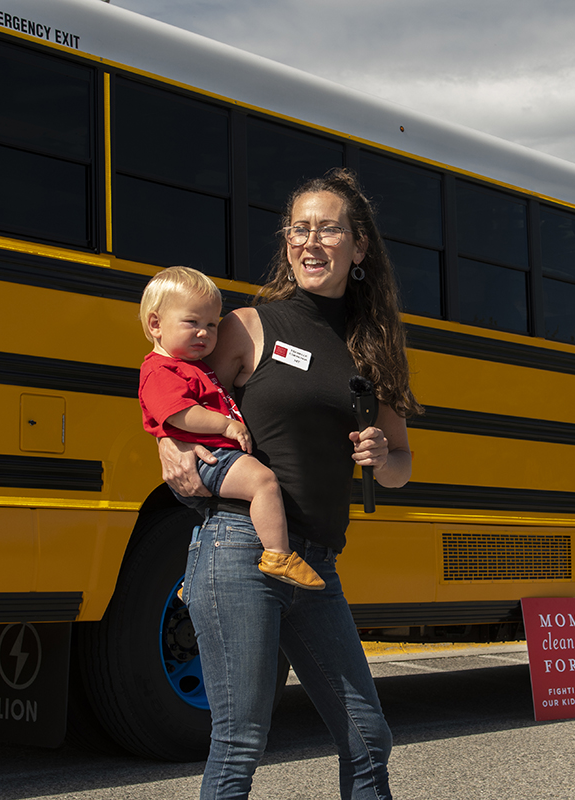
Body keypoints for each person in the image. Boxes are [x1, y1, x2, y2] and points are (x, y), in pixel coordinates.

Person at [159, 168, 422, 800]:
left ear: (359, 247)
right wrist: (169, 442)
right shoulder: (249, 327)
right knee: (241, 740)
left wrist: (382, 454)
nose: (311, 240)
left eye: (328, 228)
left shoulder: (373, 348)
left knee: (368, 739)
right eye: (299, 228)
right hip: (239, 550)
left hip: (316, 568)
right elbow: (168, 382)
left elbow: (403, 466)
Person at [138, 266, 324, 590]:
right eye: (192, 322)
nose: (205, 333)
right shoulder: (160, 370)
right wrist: (226, 425)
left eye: (212, 324)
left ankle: (195, 580)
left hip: (212, 454)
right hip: (210, 455)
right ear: (156, 324)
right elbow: (180, 414)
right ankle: (278, 554)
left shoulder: (189, 366)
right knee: (263, 482)